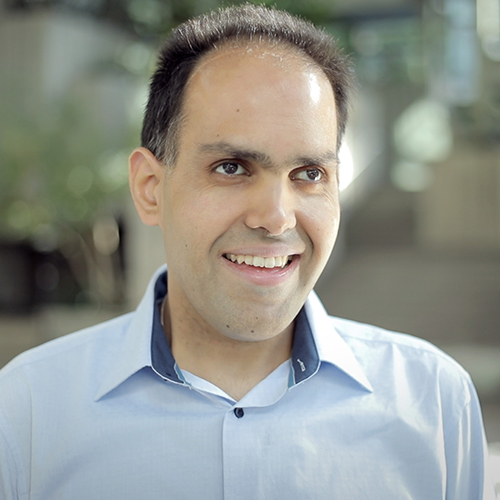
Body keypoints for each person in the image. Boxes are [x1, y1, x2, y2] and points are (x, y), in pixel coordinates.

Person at [0, 4, 496, 499]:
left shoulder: (433, 403)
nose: (277, 217)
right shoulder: (28, 413)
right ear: (151, 187)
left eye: (308, 174)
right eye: (232, 168)